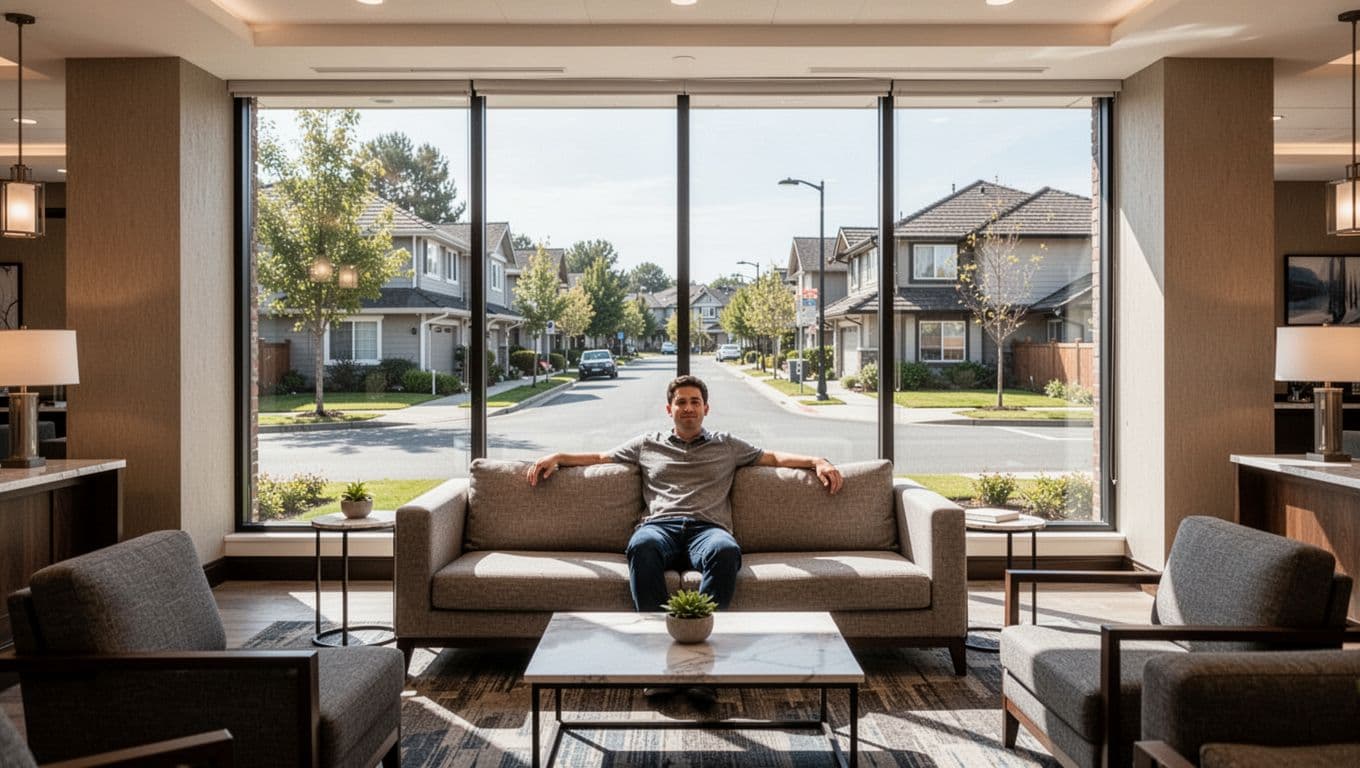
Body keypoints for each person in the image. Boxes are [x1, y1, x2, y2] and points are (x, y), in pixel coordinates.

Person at [525, 374, 844, 613]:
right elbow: (599, 458)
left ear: (706, 408)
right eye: (681, 402)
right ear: (669, 408)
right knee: (642, 546)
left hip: (708, 530)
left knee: (726, 551)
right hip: (659, 527)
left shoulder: (727, 445)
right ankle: (656, 642)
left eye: (694, 402)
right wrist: (558, 456)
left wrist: (817, 460)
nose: (688, 408)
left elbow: (773, 457)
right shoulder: (647, 443)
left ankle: (702, 642)